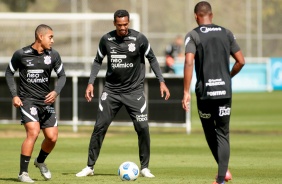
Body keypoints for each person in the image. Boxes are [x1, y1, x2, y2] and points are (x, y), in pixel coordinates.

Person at [76, 9, 170, 178]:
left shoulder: (139, 39)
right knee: (99, 126)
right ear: (114, 24)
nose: (123, 28)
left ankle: (145, 167)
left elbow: (152, 59)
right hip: (111, 91)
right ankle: (89, 166)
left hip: (134, 92)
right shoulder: (106, 39)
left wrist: (161, 81)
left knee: (142, 127)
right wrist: (90, 83)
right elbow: (97, 61)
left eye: (125, 24)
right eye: (120, 25)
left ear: (128, 23)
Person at [181, 1, 245, 184]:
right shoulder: (227, 33)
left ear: (196, 16)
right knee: (223, 133)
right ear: (212, 14)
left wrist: (185, 92)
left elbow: (188, 62)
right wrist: (228, 76)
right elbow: (241, 61)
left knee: (210, 132)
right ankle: (223, 173)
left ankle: (221, 178)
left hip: (205, 93)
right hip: (224, 91)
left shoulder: (193, 35)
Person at [5, 24, 66, 183]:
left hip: (45, 102)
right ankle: (23, 173)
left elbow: (63, 76)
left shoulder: (53, 55)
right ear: (40, 37)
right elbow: (9, 73)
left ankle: (39, 161)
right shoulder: (21, 54)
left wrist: (56, 91)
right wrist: (14, 95)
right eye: (50, 37)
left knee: (52, 138)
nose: (52, 40)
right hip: (27, 100)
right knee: (33, 132)